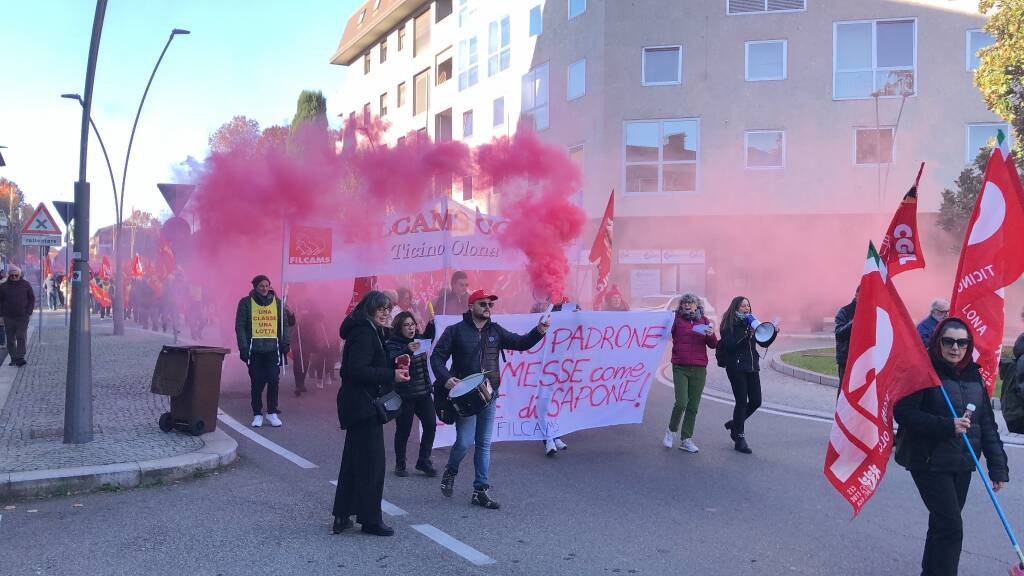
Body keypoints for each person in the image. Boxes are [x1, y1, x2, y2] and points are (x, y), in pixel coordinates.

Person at [894, 317, 1008, 576]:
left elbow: (987, 425)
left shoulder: (974, 376)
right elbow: (904, 412)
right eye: (949, 341)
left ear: (969, 346)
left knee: (941, 524)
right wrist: (947, 426)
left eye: (962, 342)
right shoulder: (924, 371)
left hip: (961, 463)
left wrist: (998, 467)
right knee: (951, 527)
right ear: (938, 342)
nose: (955, 348)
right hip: (928, 461)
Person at [430, 289, 549, 509]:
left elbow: (521, 343)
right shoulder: (455, 331)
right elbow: (436, 358)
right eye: (483, 303)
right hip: (465, 396)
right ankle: (451, 469)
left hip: (489, 393)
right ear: (471, 306)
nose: (487, 307)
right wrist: (446, 379)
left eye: (490, 304)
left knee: (484, 443)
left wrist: (539, 331)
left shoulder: (495, 330)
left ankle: (480, 490)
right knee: (465, 442)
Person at [333, 291, 409, 537]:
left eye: (388, 308)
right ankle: (370, 521)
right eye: (381, 308)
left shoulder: (367, 329)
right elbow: (357, 370)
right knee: (372, 467)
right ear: (369, 308)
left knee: (354, 464)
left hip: (358, 405)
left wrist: (393, 364)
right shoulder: (365, 333)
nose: (386, 313)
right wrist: (391, 375)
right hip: (363, 407)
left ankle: (343, 516)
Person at [718, 296, 776, 454]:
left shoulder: (752, 322)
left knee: (756, 401)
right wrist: (746, 333)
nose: (747, 308)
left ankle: (735, 424)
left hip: (751, 366)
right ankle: (740, 439)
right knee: (742, 401)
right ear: (736, 308)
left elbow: (763, 342)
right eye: (743, 306)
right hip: (736, 367)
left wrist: (772, 333)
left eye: (748, 306)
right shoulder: (728, 324)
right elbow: (729, 345)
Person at [663, 293, 718, 453]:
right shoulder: (676, 319)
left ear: (697, 305)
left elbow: (713, 344)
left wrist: (711, 335)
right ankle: (670, 431)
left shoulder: (705, 321)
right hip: (680, 366)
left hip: (699, 368)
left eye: (691, 303)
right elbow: (663, 333)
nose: (687, 305)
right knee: (681, 402)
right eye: (685, 303)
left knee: (693, 406)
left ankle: (686, 439)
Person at [386, 311, 437, 477]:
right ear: (399, 327)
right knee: (404, 430)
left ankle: (424, 460)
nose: (411, 328)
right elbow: (390, 360)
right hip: (405, 394)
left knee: (430, 424)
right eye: (406, 325)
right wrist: (405, 349)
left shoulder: (419, 340)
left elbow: (430, 337)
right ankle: (400, 464)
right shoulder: (393, 343)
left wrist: (432, 323)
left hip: (423, 392)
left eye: (412, 324)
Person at [234, 275, 289, 428]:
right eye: (261, 286)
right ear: (255, 287)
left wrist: (285, 342)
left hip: (272, 349)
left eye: (266, 285)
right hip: (254, 350)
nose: (264, 288)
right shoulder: (245, 303)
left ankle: (272, 413)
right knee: (256, 382)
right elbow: (240, 326)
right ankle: (257, 414)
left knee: (273, 379)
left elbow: (283, 325)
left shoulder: (277, 303)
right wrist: (243, 347)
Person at [0, 266, 34, 366]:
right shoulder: (3, 286)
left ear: (20, 275)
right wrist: (1, 314)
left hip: (22, 316)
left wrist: (29, 311)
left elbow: (31, 298)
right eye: (12, 275)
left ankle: (20, 357)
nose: (14, 277)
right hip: (8, 317)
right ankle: (13, 357)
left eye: (16, 275)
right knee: (10, 339)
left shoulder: (26, 285)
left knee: (21, 336)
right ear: (9, 275)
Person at [834, 288, 857, 396]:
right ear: (857, 295)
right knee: (844, 394)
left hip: (864, 360)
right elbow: (839, 335)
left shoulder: (872, 310)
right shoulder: (845, 311)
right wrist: (855, 321)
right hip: (847, 360)